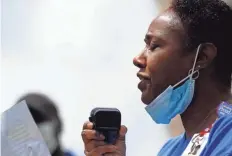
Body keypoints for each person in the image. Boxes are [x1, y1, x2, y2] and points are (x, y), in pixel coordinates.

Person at [81, 0, 232, 155]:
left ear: (201, 56)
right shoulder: (169, 150)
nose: (138, 59)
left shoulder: (228, 134)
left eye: (154, 46)